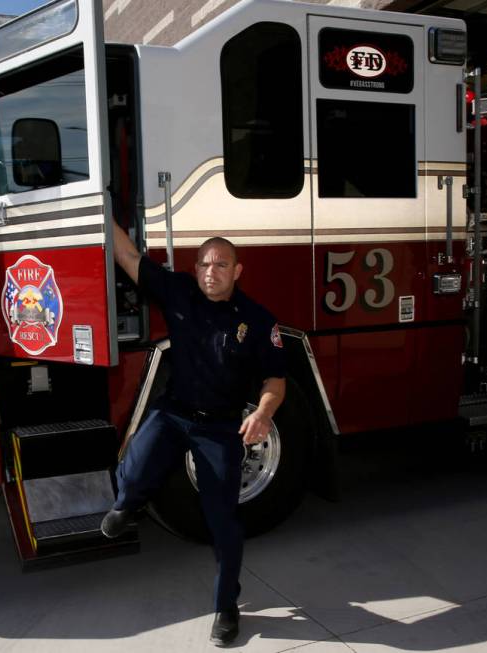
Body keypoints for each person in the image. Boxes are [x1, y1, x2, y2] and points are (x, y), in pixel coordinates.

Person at [102, 222, 286, 647]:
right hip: (172, 414)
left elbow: (276, 381)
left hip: (220, 427)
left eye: (221, 264)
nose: (210, 272)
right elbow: (129, 257)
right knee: (131, 470)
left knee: (223, 524)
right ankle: (128, 503)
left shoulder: (257, 321)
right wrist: (104, 208)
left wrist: (262, 412)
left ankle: (227, 607)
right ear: (195, 267)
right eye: (204, 263)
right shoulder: (179, 291)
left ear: (237, 271)